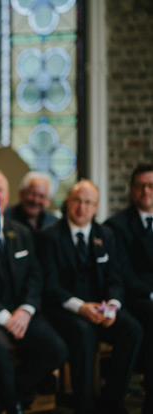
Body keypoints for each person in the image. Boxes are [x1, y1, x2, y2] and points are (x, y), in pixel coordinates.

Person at [37, 179, 142, 414]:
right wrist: (81, 307)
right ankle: (83, 406)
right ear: (67, 203)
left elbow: (115, 279)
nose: (81, 207)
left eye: (88, 202)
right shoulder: (49, 237)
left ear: (96, 207)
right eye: (77, 201)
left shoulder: (106, 235)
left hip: (101, 310)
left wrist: (113, 306)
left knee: (132, 329)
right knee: (83, 333)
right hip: (63, 310)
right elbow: (50, 287)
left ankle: (112, 400)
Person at [0, 168, 67, 414]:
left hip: (22, 311)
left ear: (8, 195)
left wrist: (26, 310)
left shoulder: (21, 232)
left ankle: (13, 394)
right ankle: (13, 406)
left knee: (56, 349)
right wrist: (5, 318)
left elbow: (35, 276)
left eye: (0, 189)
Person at [104, 163, 153, 413]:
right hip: (132, 298)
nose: (146, 191)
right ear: (132, 190)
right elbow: (121, 272)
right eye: (140, 186)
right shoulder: (116, 225)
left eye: (151, 186)